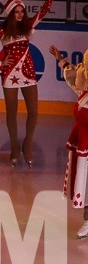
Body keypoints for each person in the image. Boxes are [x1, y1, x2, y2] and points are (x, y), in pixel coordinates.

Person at [0, 0, 58, 167]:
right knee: (11, 112)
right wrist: (0, 63)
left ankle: (27, 144)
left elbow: (44, 11)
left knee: (33, 110)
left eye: (22, 11)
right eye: (17, 11)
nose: (21, 14)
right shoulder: (2, 29)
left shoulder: (28, 26)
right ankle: (14, 146)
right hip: (9, 75)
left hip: (29, 73)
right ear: (11, 12)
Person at [50, 45, 88, 239]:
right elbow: (71, 73)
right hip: (85, 146)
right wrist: (60, 58)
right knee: (86, 183)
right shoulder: (83, 92)